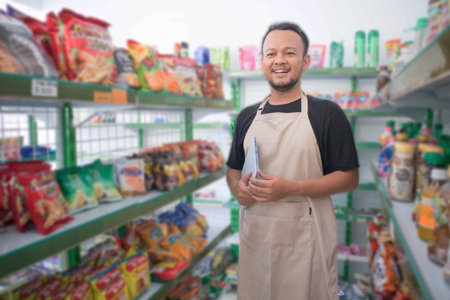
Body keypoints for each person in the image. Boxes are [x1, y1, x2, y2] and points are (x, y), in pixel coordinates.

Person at [226, 22, 359, 300]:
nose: (279, 61)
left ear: (305, 61)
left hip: (307, 240)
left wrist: (292, 188)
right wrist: (238, 187)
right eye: (271, 53)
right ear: (262, 61)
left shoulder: (327, 114)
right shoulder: (248, 116)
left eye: (289, 52)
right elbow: (234, 169)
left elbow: (349, 177)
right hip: (257, 238)